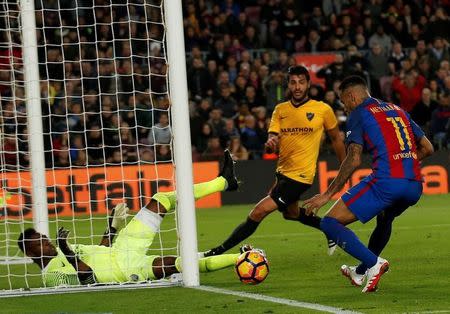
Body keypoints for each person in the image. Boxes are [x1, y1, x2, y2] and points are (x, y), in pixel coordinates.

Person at [18, 150, 251, 287]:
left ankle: (223, 182)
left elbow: (101, 251)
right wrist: (66, 251)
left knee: (161, 199)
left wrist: (112, 227)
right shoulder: (51, 276)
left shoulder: (61, 250)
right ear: (30, 253)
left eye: (42, 237)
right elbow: (88, 279)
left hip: (122, 247)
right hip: (125, 271)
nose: (46, 241)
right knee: (183, 264)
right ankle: (242, 258)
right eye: (39, 242)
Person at [303, 75, 434, 293]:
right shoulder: (397, 109)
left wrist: (326, 195)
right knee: (385, 219)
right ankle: (361, 271)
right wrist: (402, 162)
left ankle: (374, 263)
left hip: (387, 182)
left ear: (352, 96)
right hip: (414, 186)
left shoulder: (359, 113)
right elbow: (428, 148)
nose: (344, 107)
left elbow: (353, 158)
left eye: (344, 101)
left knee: (329, 223)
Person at [203, 65, 346, 258]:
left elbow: (336, 138)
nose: (297, 87)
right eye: (293, 82)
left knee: (258, 212)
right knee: (291, 214)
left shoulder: (322, 109)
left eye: (301, 82)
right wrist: (270, 144)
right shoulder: (280, 110)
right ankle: (331, 230)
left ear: (308, 84)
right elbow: (272, 140)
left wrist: (344, 165)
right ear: (288, 84)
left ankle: (217, 252)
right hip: (283, 173)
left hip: (302, 176)